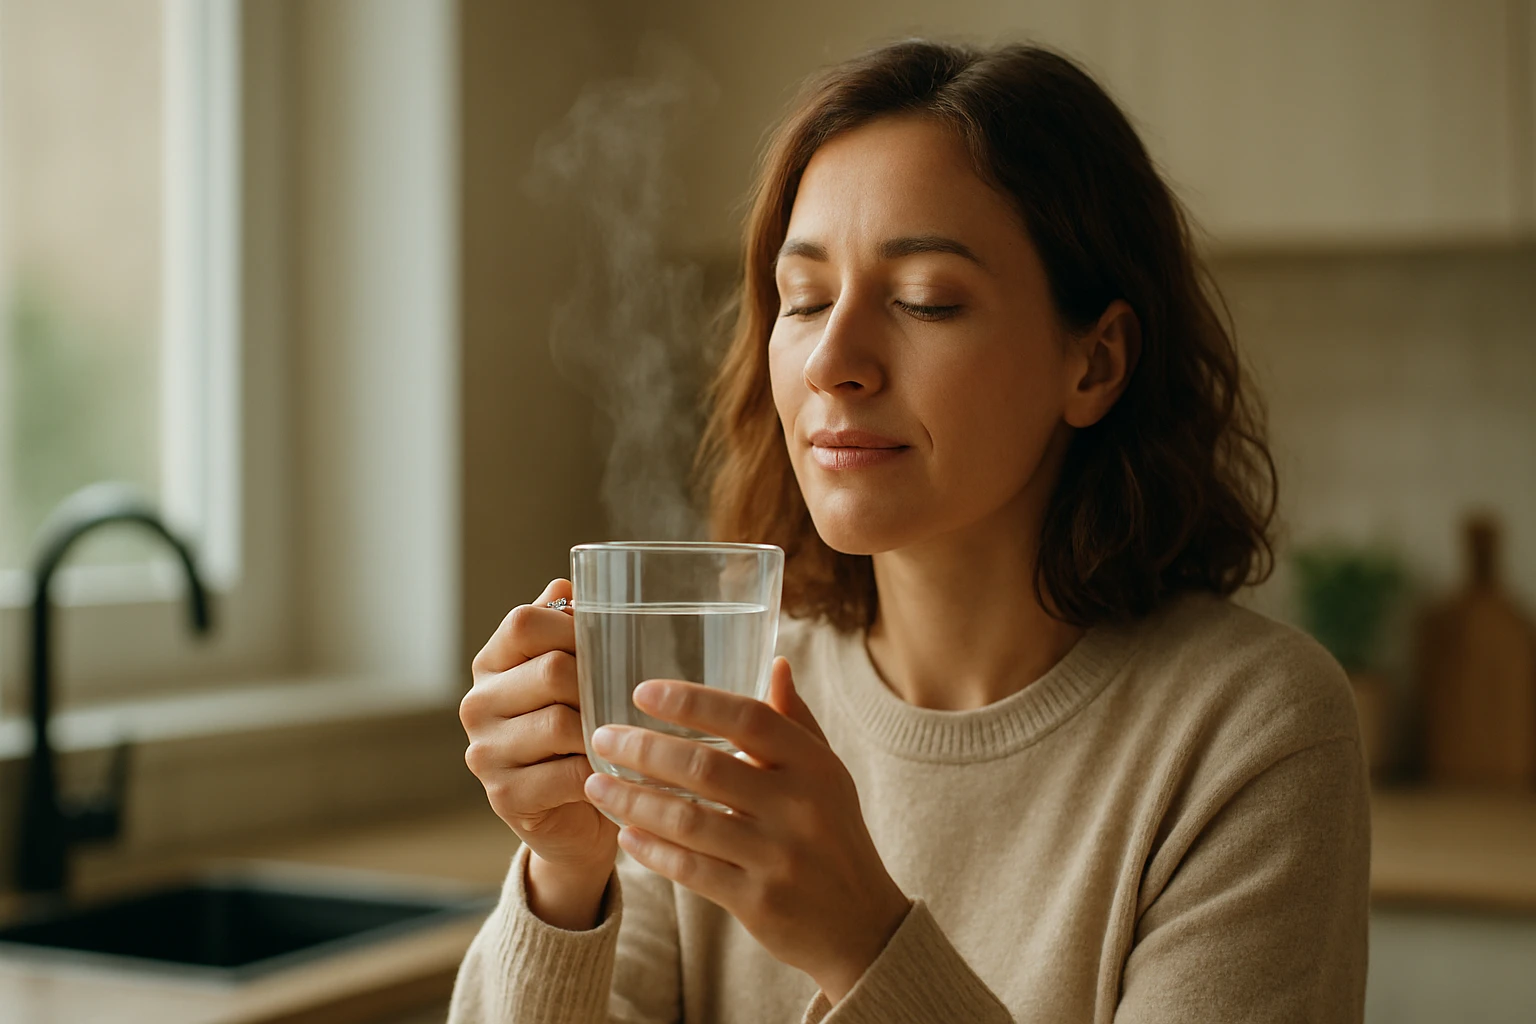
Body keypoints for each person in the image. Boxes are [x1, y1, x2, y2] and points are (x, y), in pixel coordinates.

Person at [450, 38, 1369, 1024]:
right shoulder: (729, 691)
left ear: (1094, 363)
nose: (834, 361)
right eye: (804, 300)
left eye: (925, 300)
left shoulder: (1248, 731)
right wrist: (566, 875)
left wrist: (865, 945)